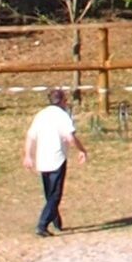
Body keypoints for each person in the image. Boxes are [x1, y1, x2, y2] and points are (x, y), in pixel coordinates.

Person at [25, 94, 82, 234]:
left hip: (42, 158)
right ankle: (42, 225)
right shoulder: (62, 116)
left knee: (49, 194)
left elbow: (30, 136)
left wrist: (28, 155)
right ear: (61, 101)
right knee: (55, 195)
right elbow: (70, 137)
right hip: (57, 158)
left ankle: (57, 222)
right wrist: (81, 150)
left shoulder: (41, 115)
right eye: (65, 100)